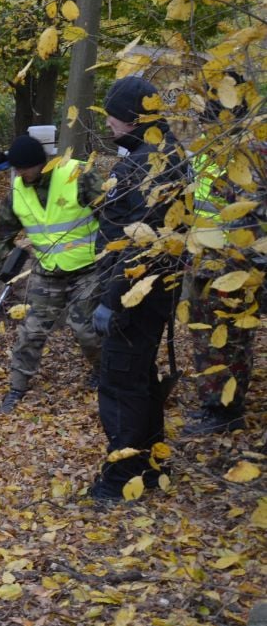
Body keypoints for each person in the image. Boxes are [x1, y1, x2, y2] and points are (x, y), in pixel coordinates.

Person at [89, 76, 188, 501]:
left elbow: (134, 245)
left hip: (134, 294)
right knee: (141, 377)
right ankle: (151, 465)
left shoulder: (139, 166)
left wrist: (113, 302)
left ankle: (119, 480)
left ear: (129, 117)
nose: (107, 122)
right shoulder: (172, 154)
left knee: (119, 382)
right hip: (158, 290)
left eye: (111, 113)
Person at [0, 134, 105, 413]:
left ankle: (104, 370)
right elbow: (3, 232)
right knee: (31, 330)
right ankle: (17, 386)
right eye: (15, 168)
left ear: (40, 164)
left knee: (85, 330)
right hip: (48, 271)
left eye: (24, 168)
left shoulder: (77, 174)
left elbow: (110, 214)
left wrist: (112, 257)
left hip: (87, 268)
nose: (19, 173)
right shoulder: (17, 190)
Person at [183, 83, 258, 435]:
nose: (205, 127)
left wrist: (242, 267)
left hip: (234, 269)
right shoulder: (204, 154)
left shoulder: (249, 157)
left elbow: (252, 223)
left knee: (232, 343)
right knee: (206, 342)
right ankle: (214, 405)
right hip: (202, 266)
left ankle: (228, 411)